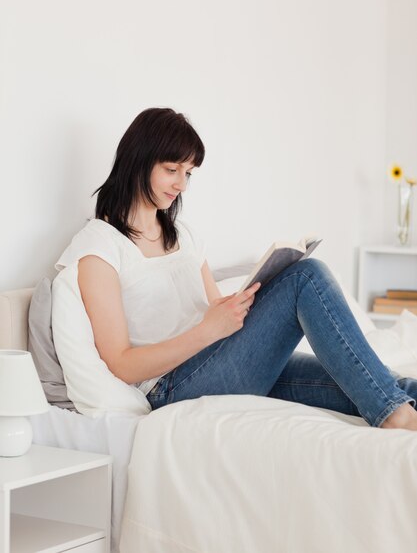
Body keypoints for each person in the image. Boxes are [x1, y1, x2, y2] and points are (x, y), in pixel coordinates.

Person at [68, 107, 417, 430]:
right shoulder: (100, 245)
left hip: (218, 361)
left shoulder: (183, 237)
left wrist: (241, 305)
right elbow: (121, 364)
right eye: (171, 170)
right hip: (172, 387)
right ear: (137, 162)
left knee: (373, 381)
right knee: (306, 277)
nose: (182, 185)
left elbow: (213, 311)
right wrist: (209, 331)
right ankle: (393, 418)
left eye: (188, 173)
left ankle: (396, 408)